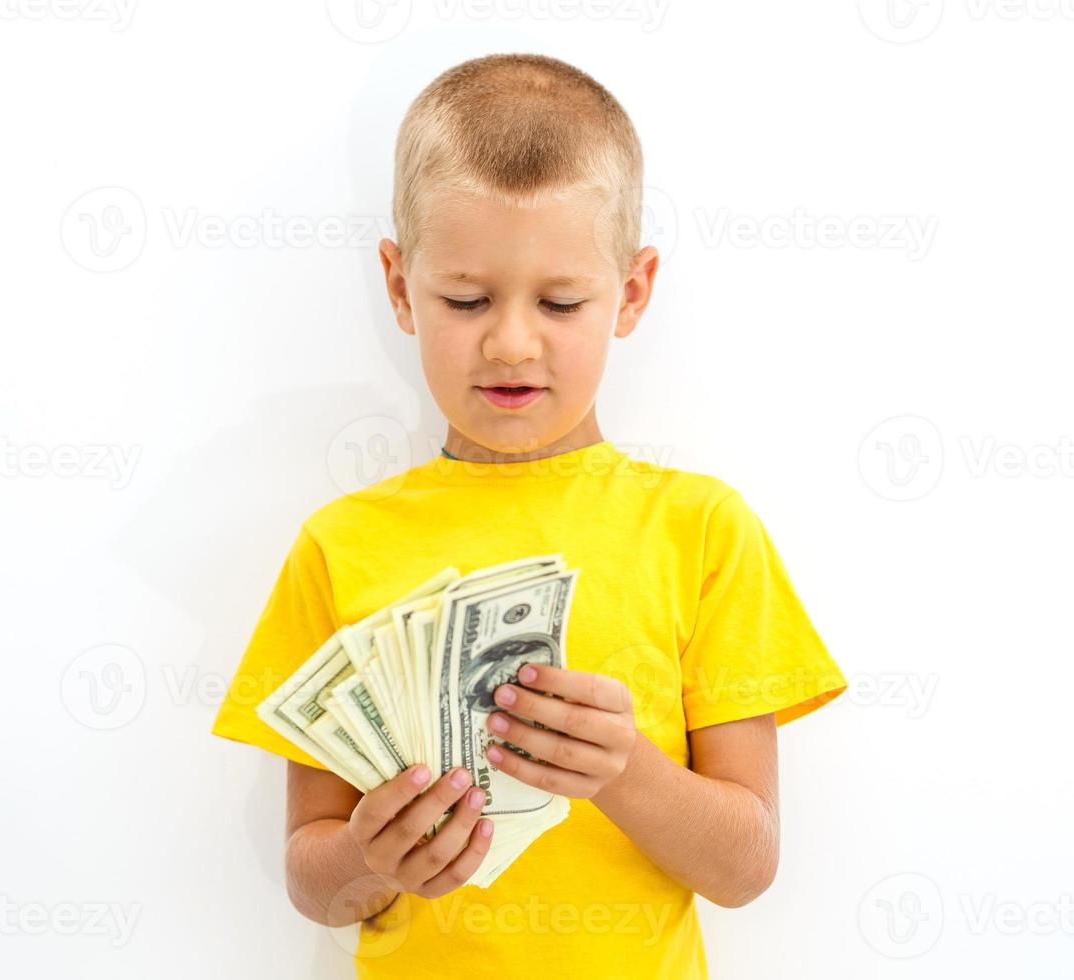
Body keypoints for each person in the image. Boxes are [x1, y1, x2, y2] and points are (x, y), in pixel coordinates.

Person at [210, 52, 846, 979]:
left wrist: (623, 769)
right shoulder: (339, 545)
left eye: (561, 301)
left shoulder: (702, 530)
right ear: (398, 285)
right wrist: (368, 856)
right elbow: (314, 878)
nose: (511, 341)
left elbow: (745, 865)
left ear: (630, 292)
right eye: (465, 300)